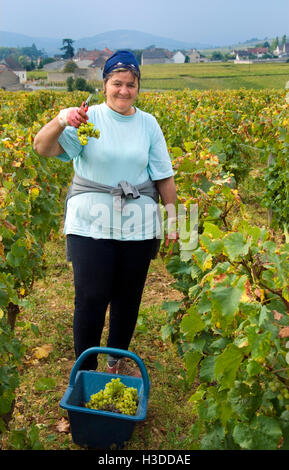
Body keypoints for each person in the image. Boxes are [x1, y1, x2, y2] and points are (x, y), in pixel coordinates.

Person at [33, 50, 177, 376]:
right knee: (91, 298)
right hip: (89, 223)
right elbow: (41, 147)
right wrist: (60, 119)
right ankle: (85, 369)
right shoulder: (87, 118)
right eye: (117, 83)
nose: (123, 91)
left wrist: (184, 225)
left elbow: (165, 177)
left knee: (128, 299)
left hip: (138, 227)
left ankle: (116, 362)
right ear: (104, 84)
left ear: (138, 86)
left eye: (130, 84)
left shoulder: (149, 124)